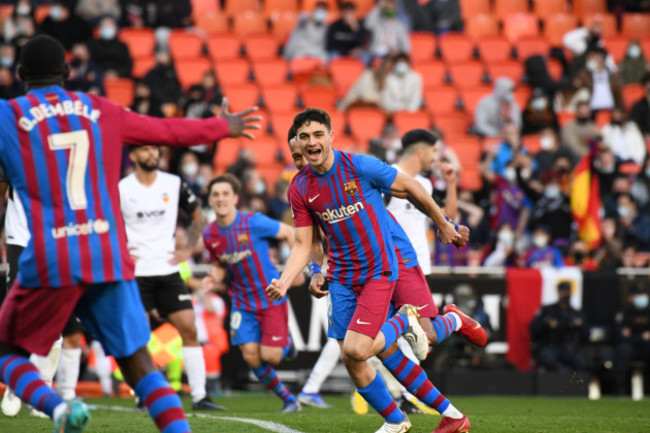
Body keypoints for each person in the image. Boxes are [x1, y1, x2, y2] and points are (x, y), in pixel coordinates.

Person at [0, 34, 259, 432]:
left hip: (52, 254)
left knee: (6, 353)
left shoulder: (7, 116)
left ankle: (57, 407)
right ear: (68, 73)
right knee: (139, 365)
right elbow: (167, 130)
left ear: (19, 76)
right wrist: (222, 125)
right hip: (107, 253)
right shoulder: (100, 109)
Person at [267, 108, 480, 433]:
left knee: (413, 336)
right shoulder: (300, 187)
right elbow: (307, 241)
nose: (307, 150)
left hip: (387, 262)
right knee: (356, 355)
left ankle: (442, 319)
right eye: (302, 143)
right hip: (341, 274)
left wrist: (443, 224)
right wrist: (307, 273)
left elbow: (409, 187)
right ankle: (426, 418)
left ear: (330, 136)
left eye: (316, 137)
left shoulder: (359, 166)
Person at [119, 145, 224, 411]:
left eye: (156, 150)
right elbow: (106, 221)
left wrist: (187, 249)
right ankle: (142, 392)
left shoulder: (173, 183)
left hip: (167, 270)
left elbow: (198, 216)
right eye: (146, 149)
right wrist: (120, 250)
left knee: (189, 328)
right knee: (139, 335)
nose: (153, 154)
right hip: (136, 273)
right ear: (133, 156)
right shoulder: (122, 188)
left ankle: (200, 396)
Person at [201, 174, 300, 412]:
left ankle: (287, 344)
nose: (221, 198)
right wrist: (214, 277)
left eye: (225, 194)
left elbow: (289, 232)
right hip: (242, 302)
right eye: (216, 194)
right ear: (211, 200)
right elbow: (220, 265)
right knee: (251, 356)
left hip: (270, 296)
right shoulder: (209, 235)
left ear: (235, 198)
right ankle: (288, 399)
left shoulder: (253, 222)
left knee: (272, 357)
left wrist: (293, 267)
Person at [529, 282, 588, 371]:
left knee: (581, 362)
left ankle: (576, 380)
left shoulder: (576, 313)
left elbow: (585, 335)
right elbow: (534, 328)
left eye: (566, 291)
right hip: (551, 346)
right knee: (548, 359)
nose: (564, 294)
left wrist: (578, 326)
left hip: (569, 347)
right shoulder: (548, 311)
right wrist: (546, 322)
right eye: (562, 291)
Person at [614, 283, 650, 396]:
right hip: (630, 345)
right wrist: (641, 337)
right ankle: (620, 390)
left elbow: (628, 333)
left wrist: (631, 335)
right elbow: (620, 335)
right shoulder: (624, 312)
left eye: (643, 294)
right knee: (622, 351)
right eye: (638, 294)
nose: (641, 297)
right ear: (631, 297)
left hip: (645, 346)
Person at [630, 72, 650, 138]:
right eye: (648, 83)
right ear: (644, 86)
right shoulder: (638, 106)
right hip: (643, 138)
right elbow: (634, 125)